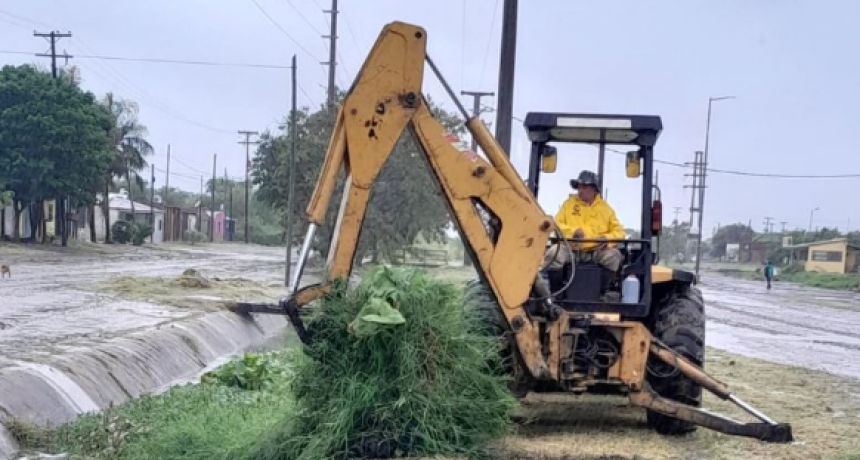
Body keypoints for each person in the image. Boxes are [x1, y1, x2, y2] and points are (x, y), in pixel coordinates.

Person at [543, 170, 625, 273]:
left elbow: (620, 232)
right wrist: (573, 232)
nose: (580, 190)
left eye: (584, 187)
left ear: (594, 189)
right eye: (579, 187)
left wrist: (607, 239)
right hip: (570, 249)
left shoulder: (606, 209)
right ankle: (554, 288)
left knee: (614, 256)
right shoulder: (568, 204)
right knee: (553, 253)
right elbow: (557, 224)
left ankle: (601, 288)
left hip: (597, 252)